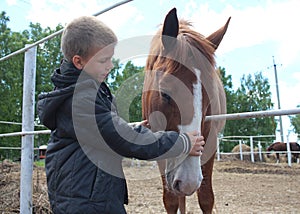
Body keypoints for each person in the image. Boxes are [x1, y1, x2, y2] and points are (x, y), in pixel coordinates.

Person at [37, 16, 205, 214]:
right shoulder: (78, 100)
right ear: (79, 62)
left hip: (93, 192)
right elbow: (121, 138)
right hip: (84, 200)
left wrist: (137, 129)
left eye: (111, 58)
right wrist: (182, 143)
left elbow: (107, 131)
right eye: (103, 60)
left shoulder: (88, 91)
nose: (110, 65)